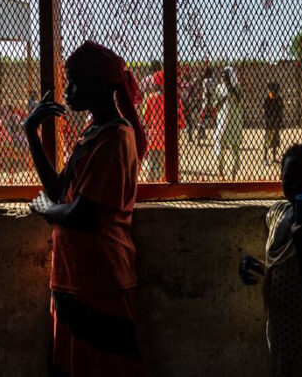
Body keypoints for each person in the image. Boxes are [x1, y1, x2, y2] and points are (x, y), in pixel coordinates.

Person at [23, 41, 147, 376]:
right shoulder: (94, 134)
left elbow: (84, 214)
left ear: (103, 86)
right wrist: (31, 133)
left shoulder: (116, 139)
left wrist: (47, 210)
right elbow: (60, 190)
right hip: (75, 276)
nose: (68, 90)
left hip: (100, 280)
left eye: (75, 81)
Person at [238, 144, 302, 377]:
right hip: (280, 332)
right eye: (290, 178)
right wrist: (253, 265)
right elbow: (282, 267)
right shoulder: (277, 215)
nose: (296, 185)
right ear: (281, 179)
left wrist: (301, 242)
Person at [142, 71, 184, 182]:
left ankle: (151, 187)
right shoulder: (175, 99)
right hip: (168, 140)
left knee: (152, 165)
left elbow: (146, 120)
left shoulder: (150, 99)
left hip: (154, 139)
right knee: (165, 168)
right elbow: (181, 121)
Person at [213, 66, 244, 180]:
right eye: (222, 77)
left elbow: (241, 101)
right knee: (221, 148)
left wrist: (232, 89)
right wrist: (221, 100)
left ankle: (233, 176)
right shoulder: (219, 88)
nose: (223, 79)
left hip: (235, 122)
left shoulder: (238, 87)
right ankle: (221, 173)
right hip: (223, 122)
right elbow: (214, 105)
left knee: (235, 150)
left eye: (226, 77)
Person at [262, 81, 284, 166]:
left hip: (276, 123)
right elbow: (265, 111)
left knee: (275, 141)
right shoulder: (268, 99)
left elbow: (281, 111)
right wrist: (269, 122)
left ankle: (274, 157)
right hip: (269, 123)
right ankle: (265, 157)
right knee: (268, 141)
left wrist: (279, 122)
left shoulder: (279, 99)